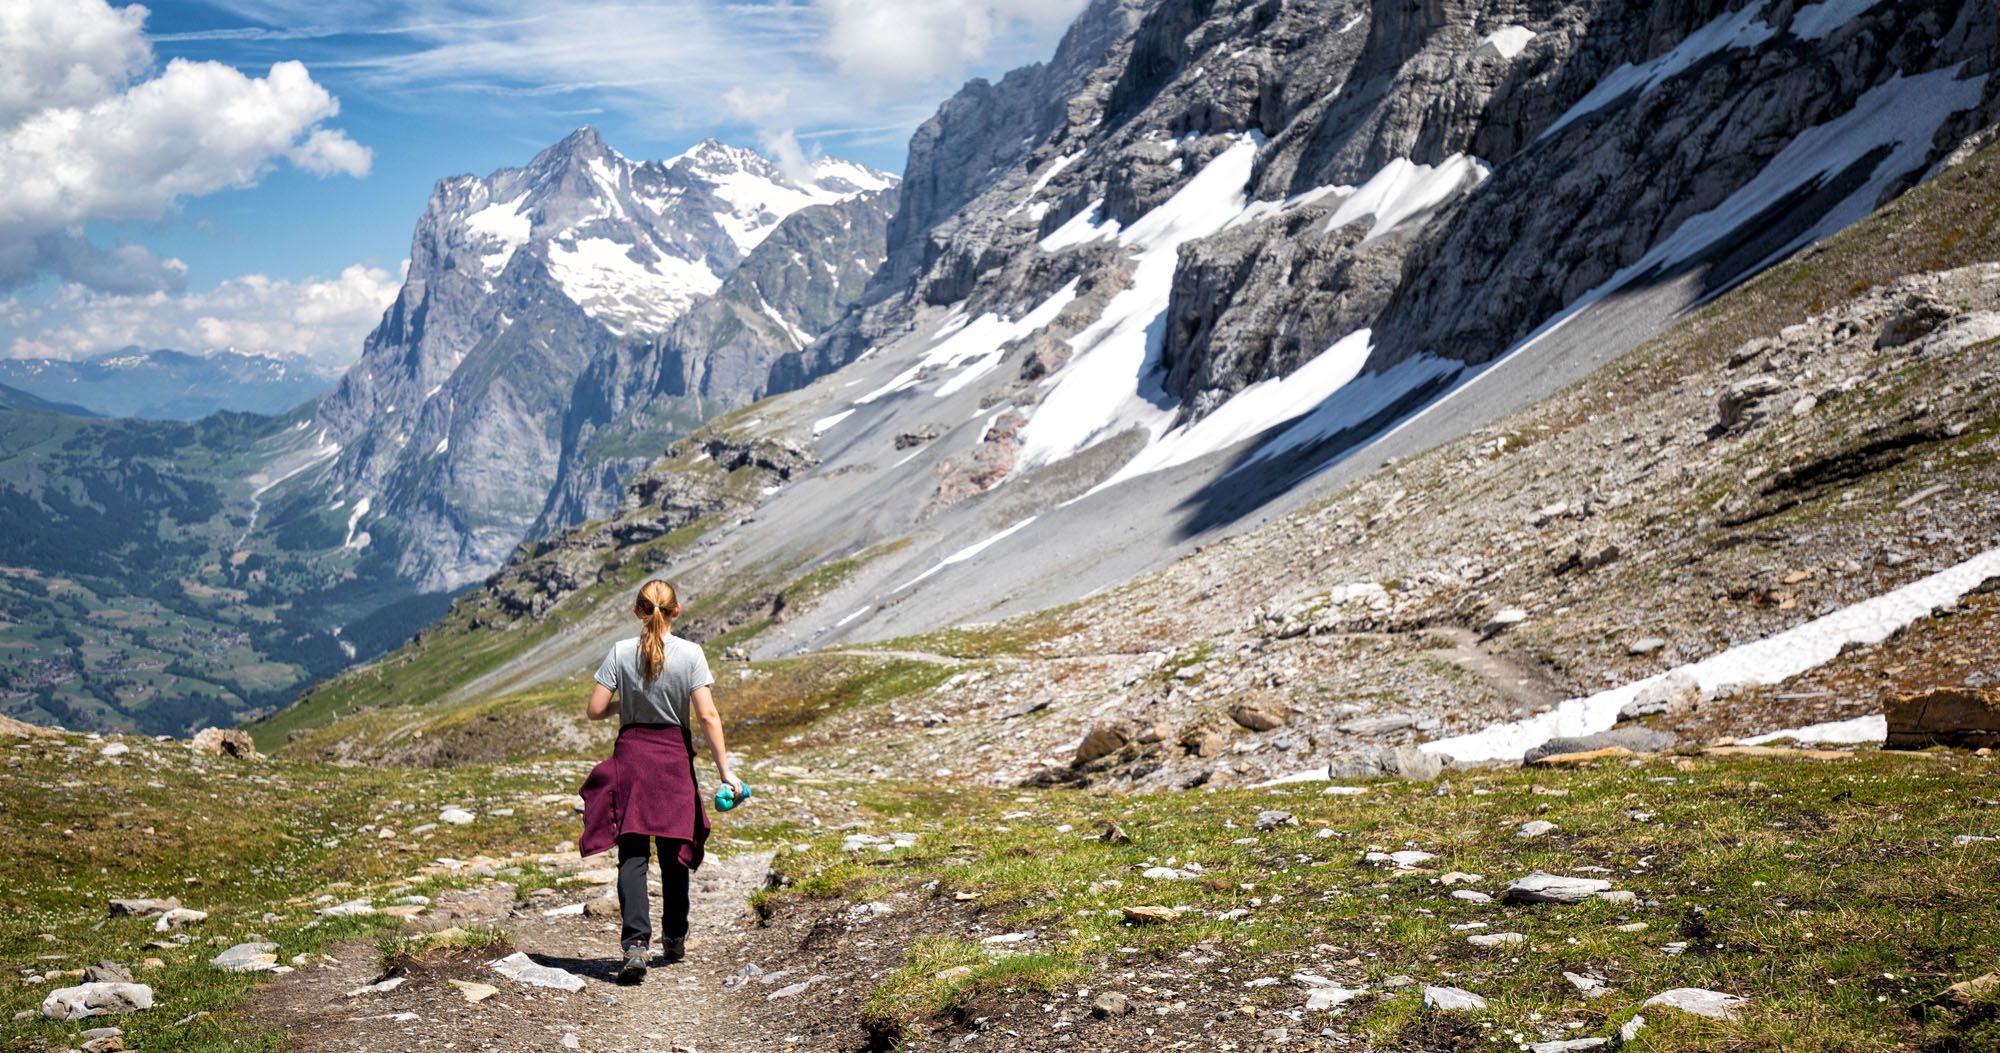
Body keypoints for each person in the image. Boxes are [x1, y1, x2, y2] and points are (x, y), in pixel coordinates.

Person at [577, 579, 742, 984]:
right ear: (676, 611)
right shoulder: (692, 654)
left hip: (632, 756)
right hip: (672, 759)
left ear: (637, 612)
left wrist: (630, 702)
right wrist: (726, 772)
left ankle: (635, 944)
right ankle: (674, 936)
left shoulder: (619, 652)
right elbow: (707, 716)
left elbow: (595, 711)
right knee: (674, 851)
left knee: (632, 853)